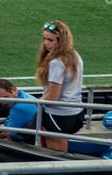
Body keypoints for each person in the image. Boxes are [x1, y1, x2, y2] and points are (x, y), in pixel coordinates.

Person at [35, 21, 84, 152]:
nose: (46, 43)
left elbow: (53, 96)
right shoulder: (75, 55)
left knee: (57, 158)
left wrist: (36, 102)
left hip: (59, 115)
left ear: (61, 41)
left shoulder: (57, 62)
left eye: (50, 40)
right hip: (77, 113)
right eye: (44, 38)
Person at [0, 79, 38, 144]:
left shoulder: (18, 108)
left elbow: (10, 139)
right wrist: (5, 132)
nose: (3, 103)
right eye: (0, 100)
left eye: (6, 97)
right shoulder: (26, 96)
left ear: (13, 90)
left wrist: (4, 135)